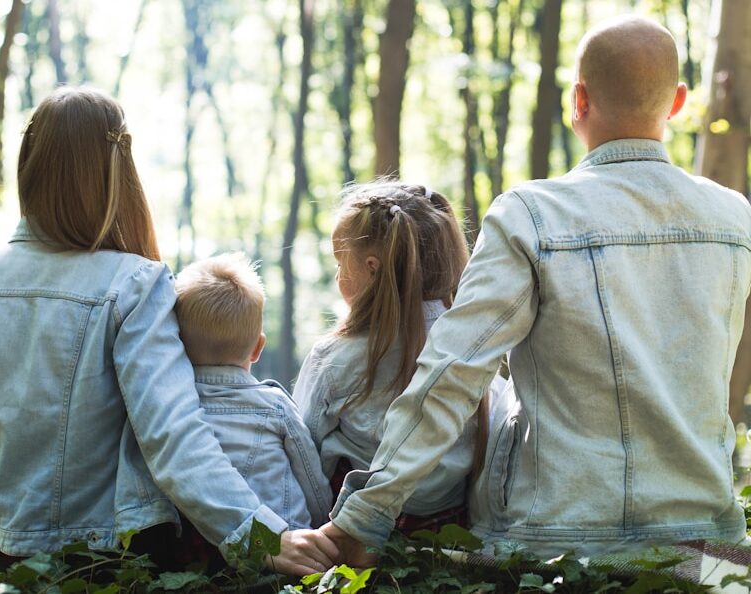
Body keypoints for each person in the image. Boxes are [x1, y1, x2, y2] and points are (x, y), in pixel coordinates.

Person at [320, 16, 751, 563]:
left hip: (554, 540)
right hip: (707, 540)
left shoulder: (532, 216)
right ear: (678, 103)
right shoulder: (735, 219)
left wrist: (366, 516)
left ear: (578, 100)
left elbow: (452, 373)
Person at [0, 86, 337, 575]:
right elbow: (173, 436)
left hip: (7, 555)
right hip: (107, 560)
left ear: (29, 163)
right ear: (117, 172)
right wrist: (262, 537)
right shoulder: (134, 283)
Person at [293, 181, 506, 532]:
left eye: (341, 263)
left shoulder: (334, 357)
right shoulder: (475, 352)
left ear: (372, 268)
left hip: (352, 532)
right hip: (449, 530)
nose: (337, 276)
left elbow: (303, 452)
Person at [173, 253, 332, 530]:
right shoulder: (275, 407)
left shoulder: (170, 408)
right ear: (258, 348)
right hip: (284, 541)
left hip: (201, 548)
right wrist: (322, 524)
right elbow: (311, 480)